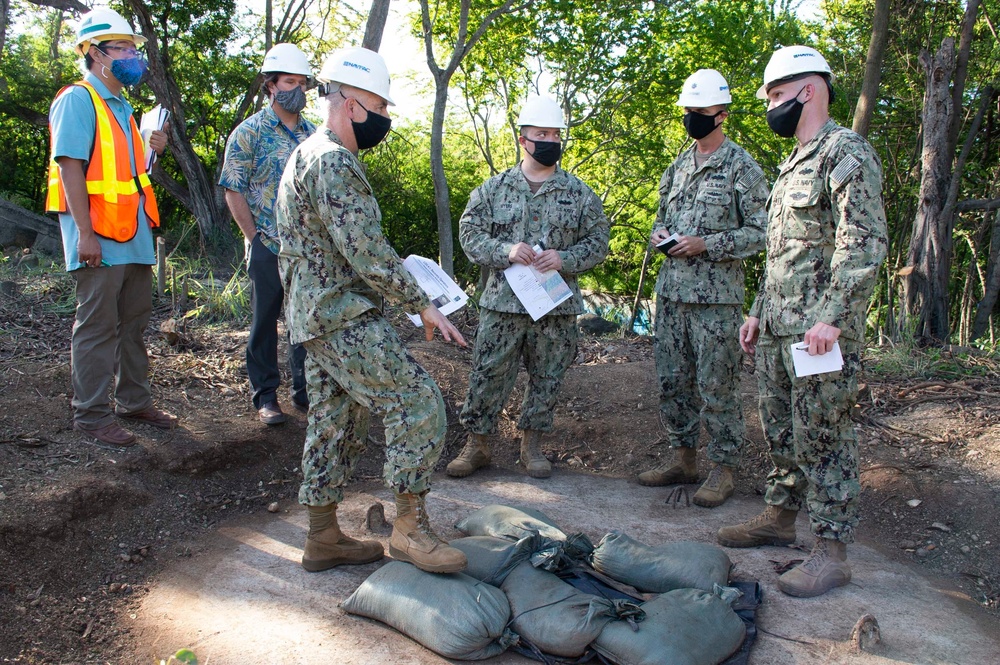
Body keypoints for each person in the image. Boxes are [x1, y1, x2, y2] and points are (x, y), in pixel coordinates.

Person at [275, 47, 468, 574]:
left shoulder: (305, 152)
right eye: (380, 107)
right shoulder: (333, 160)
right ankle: (409, 529)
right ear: (353, 104)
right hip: (339, 313)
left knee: (334, 419)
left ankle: (322, 537)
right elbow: (366, 250)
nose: (384, 118)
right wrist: (422, 306)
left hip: (314, 315)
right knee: (418, 400)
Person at [716, 46, 887, 597]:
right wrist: (757, 312)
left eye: (774, 94)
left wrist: (834, 318)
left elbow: (861, 243)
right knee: (782, 431)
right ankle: (779, 517)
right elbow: (781, 254)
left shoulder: (845, 153)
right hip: (779, 328)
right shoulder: (794, 162)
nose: (770, 105)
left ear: (806, 90)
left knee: (825, 436)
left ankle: (832, 550)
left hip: (819, 333)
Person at [446, 94, 610, 480]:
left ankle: (531, 446)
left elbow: (598, 242)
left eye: (556, 133)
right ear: (523, 139)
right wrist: (505, 250)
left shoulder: (580, 193)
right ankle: (477, 445)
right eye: (542, 133)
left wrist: (565, 259)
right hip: (502, 304)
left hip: (554, 307)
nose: (550, 140)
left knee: (548, 376)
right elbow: (469, 234)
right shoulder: (493, 189)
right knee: (487, 373)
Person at [46, 8, 177, 447]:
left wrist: (150, 150)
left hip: (134, 236)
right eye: (121, 47)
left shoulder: (122, 106)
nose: (131, 56)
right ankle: (92, 415)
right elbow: (70, 168)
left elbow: (133, 177)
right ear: (94, 53)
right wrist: (83, 234)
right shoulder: (78, 99)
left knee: (134, 324)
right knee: (98, 326)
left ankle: (134, 400)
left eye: (133, 48)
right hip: (98, 235)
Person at [637, 69, 768, 508]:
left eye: (701, 111)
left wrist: (705, 244)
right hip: (672, 296)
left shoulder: (742, 168)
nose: (692, 118)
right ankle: (684, 458)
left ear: (722, 115)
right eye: (688, 111)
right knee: (673, 383)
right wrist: (661, 238)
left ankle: (724, 468)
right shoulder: (677, 167)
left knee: (718, 386)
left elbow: (762, 232)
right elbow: (660, 220)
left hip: (717, 302)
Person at [220, 44, 316, 425]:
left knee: (305, 320)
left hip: (307, 248)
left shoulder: (315, 135)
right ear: (271, 86)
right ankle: (265, 397)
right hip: (267, 244)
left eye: (302, 83)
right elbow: (233, 188)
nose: (298, 89)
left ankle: (305, 393)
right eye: (290, 81)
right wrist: (255, 239)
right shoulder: (249, 133)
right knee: (265, 322)